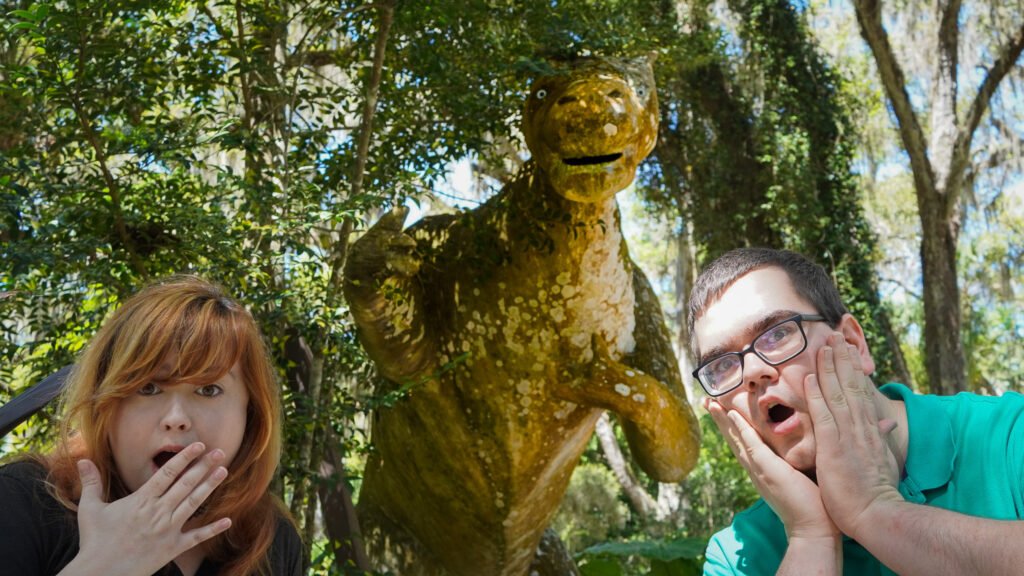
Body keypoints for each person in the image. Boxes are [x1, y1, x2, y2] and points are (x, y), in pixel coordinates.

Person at [690, 247, 1024, 575]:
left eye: (777, 333)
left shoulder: (1009, 436)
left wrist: (876, 513)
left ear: (853, 344)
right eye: (721, 367)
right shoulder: (735, 557)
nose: (751, 372)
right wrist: (811, 536)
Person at [0, 276, 303, 576]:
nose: (176, 419)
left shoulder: (272, 539)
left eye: (208, 389)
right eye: (148, 388)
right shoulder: (22, 503)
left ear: (251, 416)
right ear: (103, 404)